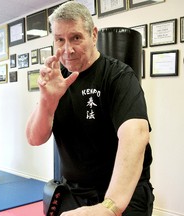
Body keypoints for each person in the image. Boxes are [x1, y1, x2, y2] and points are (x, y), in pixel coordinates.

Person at [25, 1, 154, 216]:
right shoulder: (57, 80)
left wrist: (110, 207)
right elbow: (34, 138)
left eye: (76, 37)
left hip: (121, 194)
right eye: (60, 40)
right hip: (73, 192)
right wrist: (47, 101)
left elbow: (136, 133)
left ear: (93, 35)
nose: (68, 49)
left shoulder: (117, 76)